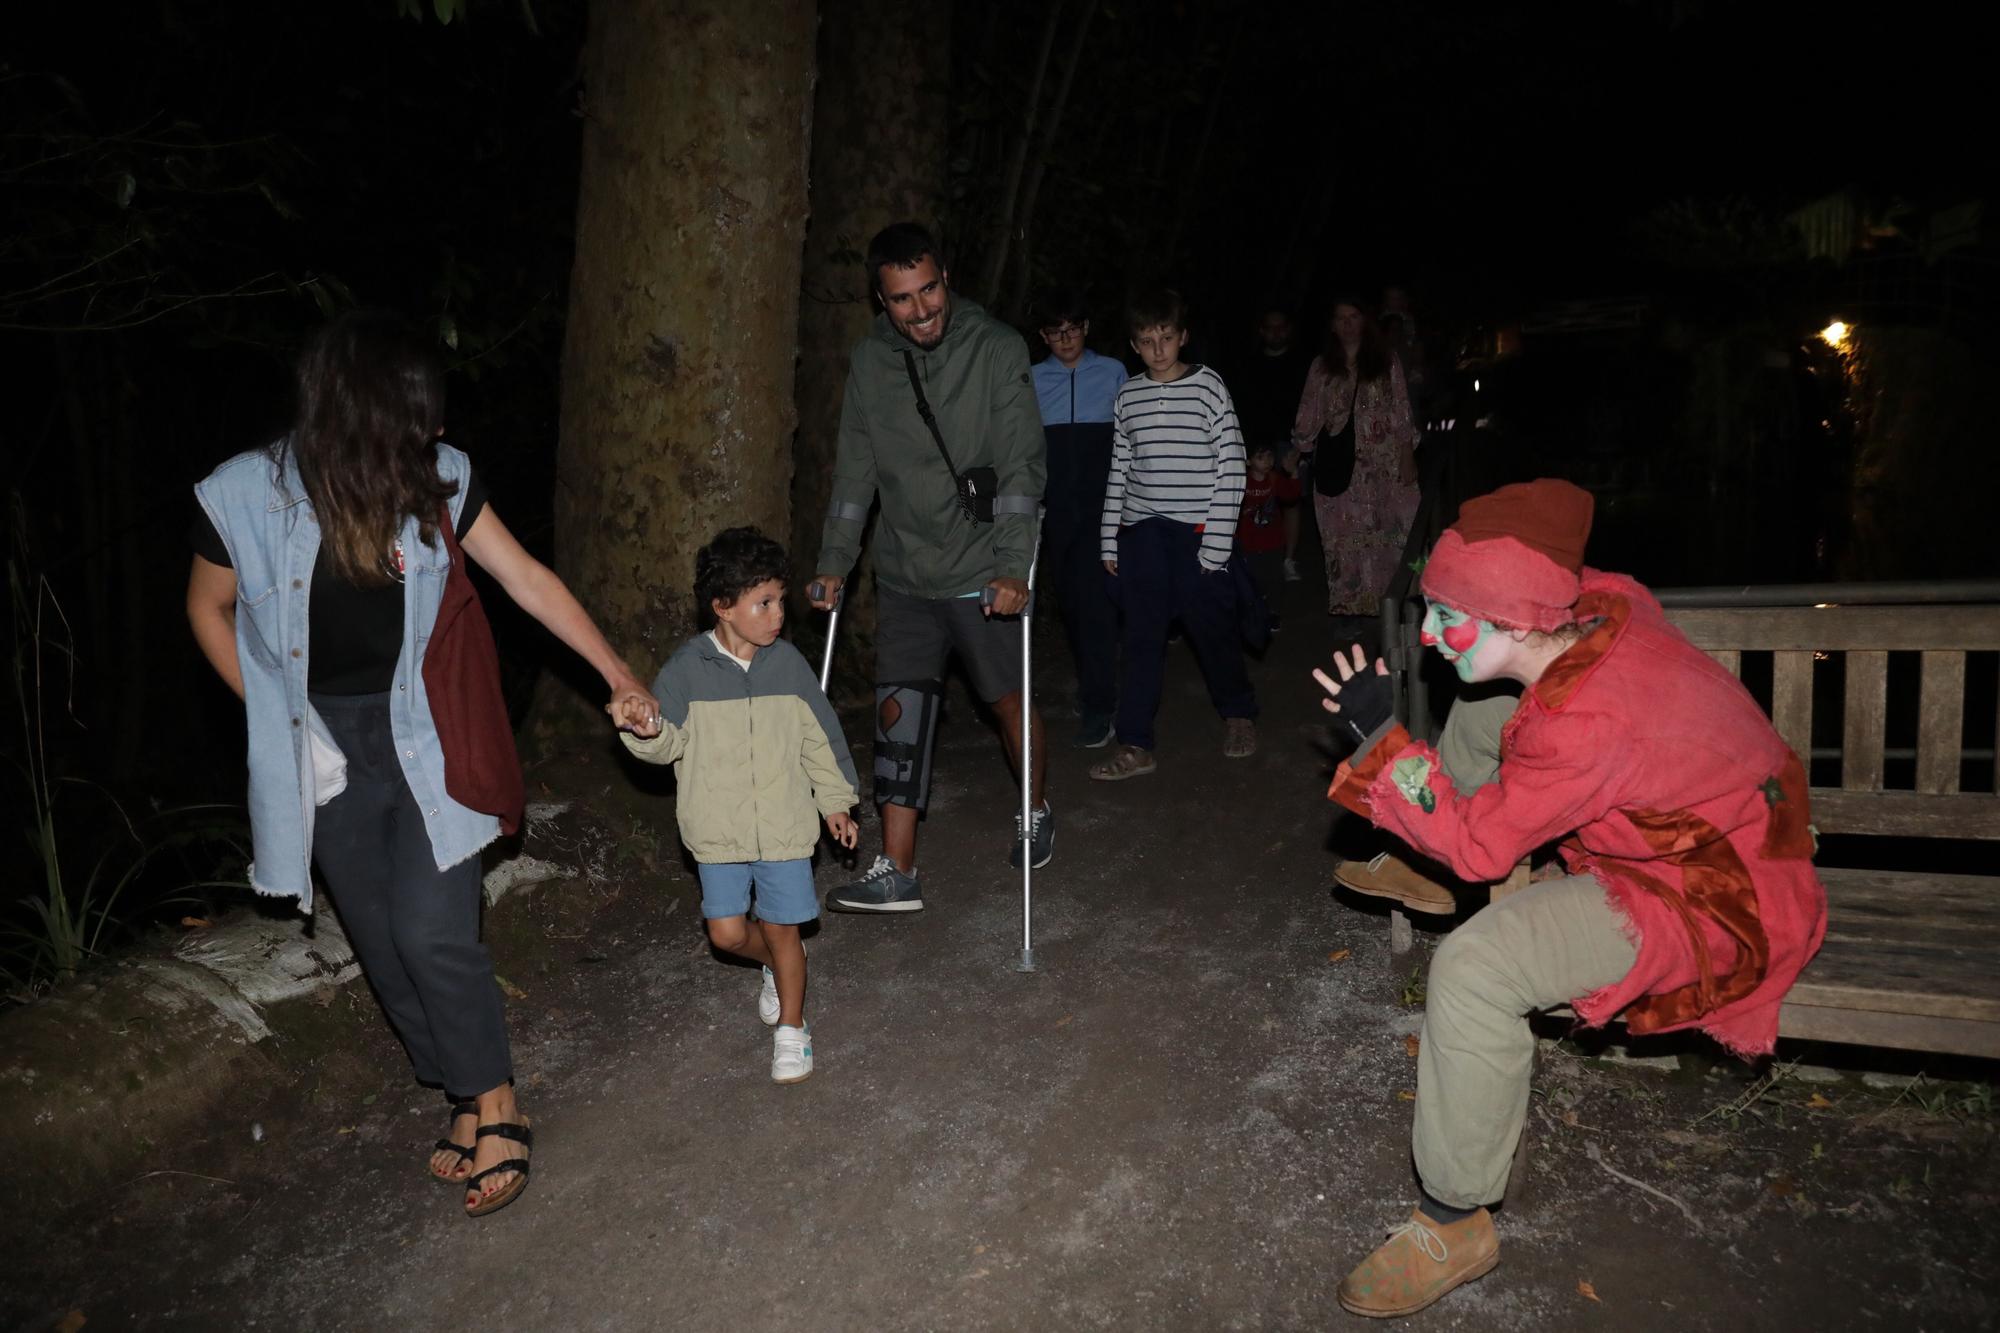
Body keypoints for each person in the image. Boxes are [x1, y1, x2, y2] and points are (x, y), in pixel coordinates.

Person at [1312, 479, 1826, 1318]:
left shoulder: (1588, 723)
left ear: (1517, 619)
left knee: (1477, 967)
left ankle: (1454, 1220)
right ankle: (1439, 867)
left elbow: (1505, 820)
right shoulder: (1594, 610)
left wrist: (1382, 738)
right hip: (1724, 827)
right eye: (1431, 610)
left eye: (1450, 616)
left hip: (1714, 891)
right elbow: (1534, 728)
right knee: (1484, 717)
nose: (1432, 637)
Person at [186, 311, 658, 1218]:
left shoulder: (439, 482)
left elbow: (525, 578)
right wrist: (276, 716)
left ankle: (497, 1103)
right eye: (418, 417)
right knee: (381, 939)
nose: (437, 433)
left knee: (434, 929)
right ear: (358, 417)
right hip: (320, 744)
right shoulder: (240, 494)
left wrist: (618, 673)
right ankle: (456, 1088)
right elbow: (208, 608)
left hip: (425, 729)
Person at [808, 222, 1050, 914]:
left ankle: (1034, 807)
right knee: (899, 714)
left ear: (947, 275)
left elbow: (1020, 463)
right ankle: (898, 869)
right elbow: (855, 472)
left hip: (983, 567)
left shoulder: (997, 348)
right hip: (906, 568)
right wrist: (834, 561)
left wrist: (1013, 565)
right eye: (903, 300)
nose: (922, 310)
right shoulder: (870, 364)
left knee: (1006, 700)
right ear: (880, 302)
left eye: (929, 290)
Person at [619, 528, 860, 1083]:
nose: (779, 615)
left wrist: (836, 804)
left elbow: (820, 742)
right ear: (722, 607)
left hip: (782, 828)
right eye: (765, 603)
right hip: (717, 831)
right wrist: (645, 729)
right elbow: (666, 742)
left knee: (784, 928)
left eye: (779, 599)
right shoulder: (686, 669)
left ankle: (793, 1031)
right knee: (727, 934)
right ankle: (778, 968)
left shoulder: (790, 666)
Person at [1090, 288, 1258, 779]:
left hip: (1199, 530)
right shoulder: (1128, 395)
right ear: (1133, 345)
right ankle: (1135, 742)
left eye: (1166, 337)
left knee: (1213, 631)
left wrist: (1217, 543)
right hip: (1143, 533)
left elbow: (1232, 463)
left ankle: (1239, 713)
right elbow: (1119, 468)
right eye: (1146, 340)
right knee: (1142, 637)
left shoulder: (1209, 387)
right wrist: (1108, 539)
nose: (1158, 349)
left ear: (1183, 337)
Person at [1031, 288, 1127, 748]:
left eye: (1072, 329)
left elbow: (1129, 441)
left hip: (1103, 509)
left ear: (1086, 328)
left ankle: (1099, 705)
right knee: (1072, 607)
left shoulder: (1112, 372)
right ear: (1043, 336)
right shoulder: (1030, 380)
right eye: (1055, 332)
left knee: (1095, 609)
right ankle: (1097, 684)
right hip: (1056, 514)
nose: (1065, 339)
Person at [1291, 298, 1420, 617]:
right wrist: (1298, 451)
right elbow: (1309, 411)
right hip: (1339, 465)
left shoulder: (1386, 360)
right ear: (1333, 325)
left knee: (1393, 533)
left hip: (1384, 463)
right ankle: (1349, 608)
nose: (1347, 323)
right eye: (1340, 318)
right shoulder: (1321, 366)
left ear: (1365, 321)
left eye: (1353, 316)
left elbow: (1401, 407)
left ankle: (1396, 605)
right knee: (1343, 537)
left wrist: (1407, 453)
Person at [1229, 305, 1315, 581]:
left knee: (1291, 500)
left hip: (1291, 442)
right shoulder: (1249, 363)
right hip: (1258, 446)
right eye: (1271, 327)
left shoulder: (1303, 363)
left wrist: (1303, 441)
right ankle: (1254, 556)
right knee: (1255, 500)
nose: (1276, 333)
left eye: (1281, 327)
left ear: (1288, 330)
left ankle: (1288, 559)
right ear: (1262, 331)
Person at [1236, 443, 1301, 633]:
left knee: (1274, 581)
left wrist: (1294, 472)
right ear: (1248, 461)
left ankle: (1272, 613)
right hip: (1248, 544)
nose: (1267, 461)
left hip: (1273, 543)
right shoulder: (1242, 482)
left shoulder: (1274, 480)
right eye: (1260, 457)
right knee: (1250, 581)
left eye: (1270, 456)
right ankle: (1251, 612)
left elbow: (1292, 495)